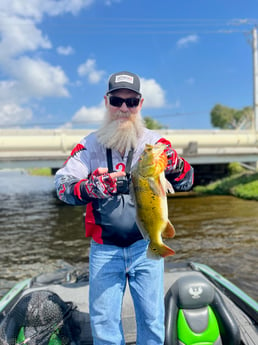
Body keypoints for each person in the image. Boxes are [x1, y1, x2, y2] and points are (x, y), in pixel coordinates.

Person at [55, 71, 194, 345]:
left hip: (145, 246)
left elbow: (187, 179)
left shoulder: (155, 144)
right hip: (104, 249)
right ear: (107, 101)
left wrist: (176, 164)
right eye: (117, 100)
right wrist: (92, 187)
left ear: (140, 104)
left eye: (131, 102)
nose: (123, 108)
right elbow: (62, 187)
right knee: (104, 323)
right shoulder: (88, 145)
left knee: (153, 320)